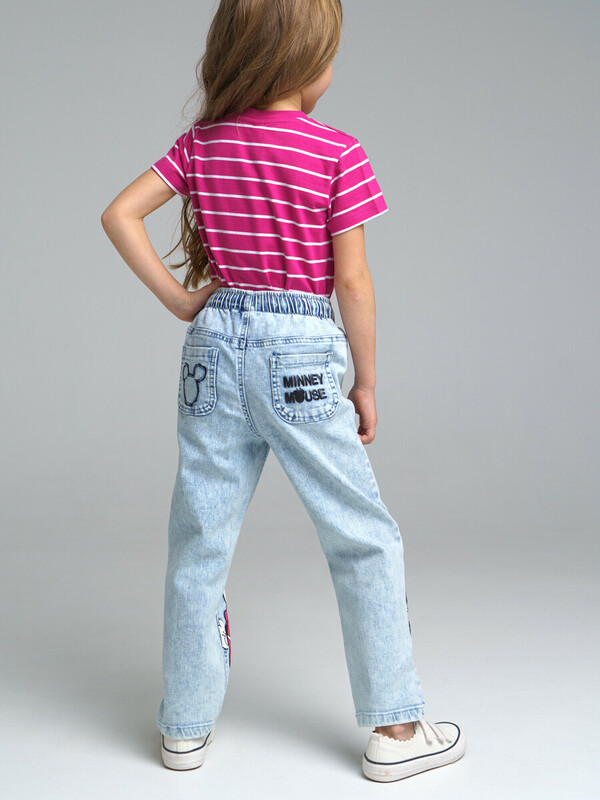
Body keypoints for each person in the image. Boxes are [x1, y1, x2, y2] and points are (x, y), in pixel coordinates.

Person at [101, 0, 465, 782]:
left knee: (200, 541)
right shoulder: (336, 152)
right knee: (360, 535)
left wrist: (181, 300)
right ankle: (397, 731)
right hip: (301, 354)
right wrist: (367, 381)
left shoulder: (202, 144)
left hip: (213, 345)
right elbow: (353, 283)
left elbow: (119, 213)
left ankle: (183, 728)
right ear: (305, 60)